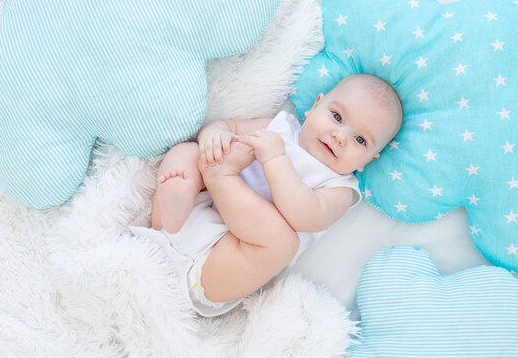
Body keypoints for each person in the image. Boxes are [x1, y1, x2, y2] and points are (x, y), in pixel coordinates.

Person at [131, 74, 403, 316]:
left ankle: (220, 177)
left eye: (360, 140)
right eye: (337, 117)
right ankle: (174, 204)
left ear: (369, 159)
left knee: (282, 243)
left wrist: (275, 159)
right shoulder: (280, 126)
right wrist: (215, 137)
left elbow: (304, 216)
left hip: (217, 266)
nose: (340, 136)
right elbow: (226, 126)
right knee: (189, 153)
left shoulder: (341, 187)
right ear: (315, 106)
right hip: (194, 211)